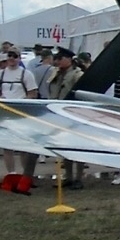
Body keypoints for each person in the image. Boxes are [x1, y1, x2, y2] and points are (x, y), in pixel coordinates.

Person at [0, 48, 39, 191]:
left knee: (23, 147)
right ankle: (11, 174)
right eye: (9, 56)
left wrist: (21, 104)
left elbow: (33, 93)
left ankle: (26, 176)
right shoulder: (1, 73)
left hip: (20, 114)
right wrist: (0, 99)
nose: (11, 59)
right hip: (4, 113)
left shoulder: (26, 74)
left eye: (15, 56)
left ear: (19, 58)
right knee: (7, 146)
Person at [38, 47, 85, 188]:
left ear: (69, 59)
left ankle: (78, 178)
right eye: (57, 59)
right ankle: (68, 176)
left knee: (78, 146)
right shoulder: (55, 73)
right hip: (58, 113)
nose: (58, 61)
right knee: (64, 146)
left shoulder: (78, 74)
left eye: (61, 58)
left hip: (74, 114)